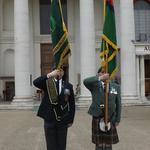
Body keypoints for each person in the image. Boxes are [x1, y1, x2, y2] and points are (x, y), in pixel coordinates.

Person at [33, 66, 75, 150]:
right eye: (57, 70)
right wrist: (50, 75)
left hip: (63, 119)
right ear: (53, 71)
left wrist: (71, 119)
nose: (59, 72)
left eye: (61, 71)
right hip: (49, 118)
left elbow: (72, 104)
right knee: (51, 145)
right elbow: (35, 82)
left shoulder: (68, 86)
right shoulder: (47, 83)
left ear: (63, 73)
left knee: (62, 145)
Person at [83, 67, 121, 150]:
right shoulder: (94, 85)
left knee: (108, 144)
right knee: (99, 144)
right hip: (97, 117)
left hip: (110, 118)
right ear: (98, 74)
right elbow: (85, 81)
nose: (105, 74)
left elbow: (118, 104)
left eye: (106, 73)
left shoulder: (115, 86)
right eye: (102, 72)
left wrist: (117, 119)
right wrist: (100, 78)